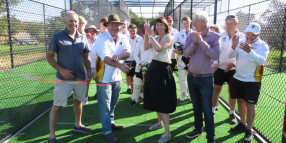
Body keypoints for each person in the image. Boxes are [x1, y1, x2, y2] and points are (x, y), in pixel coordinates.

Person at [46, 11, 92, 143]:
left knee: (78, 101)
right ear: (65, 22)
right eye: (71, 21)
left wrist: (88, 70)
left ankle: (78, 125)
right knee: (57, 106)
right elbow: (49, 57)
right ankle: (52, 136)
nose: (74, 23)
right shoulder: (57, 37)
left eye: (76, 21)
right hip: (63, 78)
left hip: (80, 77)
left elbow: (86, 56)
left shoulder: (83, 37)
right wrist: (62, 70)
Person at [90, 14, 131, 143]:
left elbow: (128, 52)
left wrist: (119, 56)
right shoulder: (101, 38)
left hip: (117, 77)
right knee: (105, 106)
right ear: (107, 26)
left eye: (117, 24)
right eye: (112, 24)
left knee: (113, 103)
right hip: (103, 77)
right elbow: (106, 58)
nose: (115, 27)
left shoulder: (123, 37)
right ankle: (107, 131)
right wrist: (120, 64)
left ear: (120, 26)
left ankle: (111, 122)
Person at [228, 23, 269, 143]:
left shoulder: (263, 45)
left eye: (253, 35)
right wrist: (234, 46)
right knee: (240, 101)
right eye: (247, 34)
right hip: (238, 78)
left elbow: (261, 61)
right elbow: (230, 56)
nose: (249, 37)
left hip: (252, 80)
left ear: (258, 34)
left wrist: (249, 51)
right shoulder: (241, 41)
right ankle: (242, 123)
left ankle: (249, 130)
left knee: (250, 105)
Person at [183, 11, 220, 143]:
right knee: (196, 106)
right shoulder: (190, 36)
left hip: (206, 79)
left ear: (204, 23)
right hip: (191, 77)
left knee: (207, 109)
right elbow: (186, 54)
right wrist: (194, 42)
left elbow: (215, 56)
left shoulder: (215, 37)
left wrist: (203, 42)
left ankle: (211, 138)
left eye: (196, 21)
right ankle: (198, 129)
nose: (194, 24)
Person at [143, 17, 177, 143]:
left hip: (163, 70)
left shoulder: (169, 37)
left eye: (161, 25)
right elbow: (146, 47)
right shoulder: (155, 37)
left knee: (163, 100)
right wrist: (147, 34)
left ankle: (167, 133)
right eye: (157, 25)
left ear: (166, 26)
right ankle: (159, 123)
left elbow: (158, 48)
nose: (159, 27)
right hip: (153, 68)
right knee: (155, 97)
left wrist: (150, 35)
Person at [211, 15, 245, 125]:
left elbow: (244, 55)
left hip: (234, 69)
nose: (229, 26)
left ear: (236, 24)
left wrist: (234, 64)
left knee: (232, 92)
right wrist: (216, 63)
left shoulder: (242, 37)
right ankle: (212, 110)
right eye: (227, 23)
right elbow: (216, 51)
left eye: (231, 23)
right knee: (216, 89)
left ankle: (232, 113)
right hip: (220, 68)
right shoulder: (221, 35)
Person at [173, 16, 193, 102]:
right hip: (181, 57)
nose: (186, 25)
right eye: (184, 23)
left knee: (192, 78)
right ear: (182, 24)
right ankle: (183, 95)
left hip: (193, 58)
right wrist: (175, 50)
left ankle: (191, 95)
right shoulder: (179, 33)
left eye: (187, 23)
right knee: (181, 77)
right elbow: (173, 43)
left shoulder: (194, 33)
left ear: (190, 23)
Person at [130, 27, 151, 106]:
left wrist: (149, 64)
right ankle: (135, 99)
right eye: (144, 33)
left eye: (148, 33)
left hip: (151, 66)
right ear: (142, 34)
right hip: (140, 66)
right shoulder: (139, 43)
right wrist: (140, 64)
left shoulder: (153, 43)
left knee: (149, 84)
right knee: (137, 83)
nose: (146, 35)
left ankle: (149, 99)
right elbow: (135, 55)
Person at [92, 17, 108, 100]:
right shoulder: (98, 36)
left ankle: (104, 94)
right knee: (98, 77)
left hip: (107, 61)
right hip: (98, 61)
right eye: (103, 25)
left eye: (106, 25)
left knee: (106, 78)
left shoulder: (109, 35)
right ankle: (98, 93)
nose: (104, 26)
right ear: (100, 24)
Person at [82, 25, 98, 106]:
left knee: (99, 82)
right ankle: (85, 98)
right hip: (87, 66)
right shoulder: (85, 40)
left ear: (96, 32)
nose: (92, 33)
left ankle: (99, 96)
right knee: (86, 82)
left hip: (97, 66)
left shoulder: (99, 40)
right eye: (90, 31)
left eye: (93, 31)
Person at [125, 24, 143, 95]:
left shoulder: (140, 38)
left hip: (138, 60)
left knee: (139, 76)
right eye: (131, 31)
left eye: (134, 30)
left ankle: (140, 91)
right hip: (129, 59)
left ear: (137, 30)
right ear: (128, 31)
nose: (132, 32)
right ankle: (133, 92)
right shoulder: (126, 38)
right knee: (131, 76)